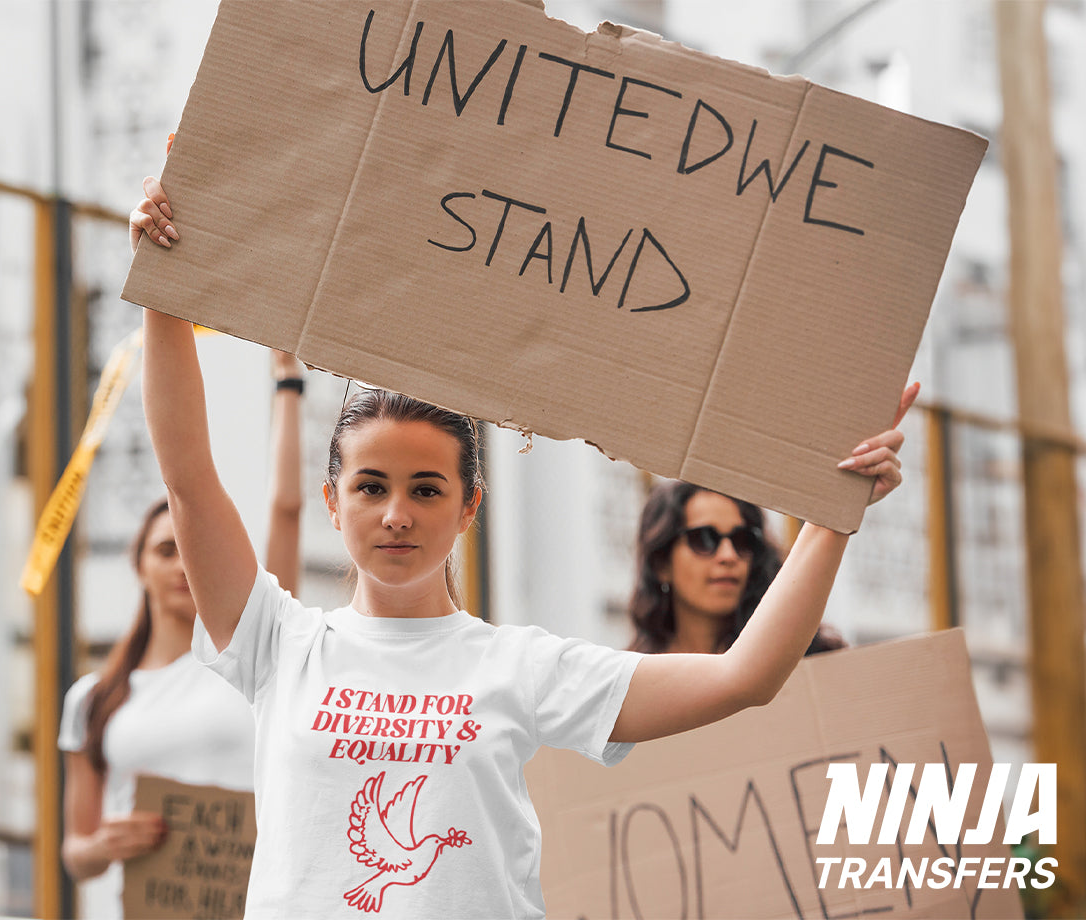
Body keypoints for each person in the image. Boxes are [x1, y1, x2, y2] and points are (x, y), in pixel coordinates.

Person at [132, 174, 916, 919]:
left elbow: (745, 677)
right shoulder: (278, 641)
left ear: (469, 507)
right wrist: (163, 291)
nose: (397, 513)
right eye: (371, 487)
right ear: (333, 503)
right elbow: (190, 477)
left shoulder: (523, 667)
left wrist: (831, 513)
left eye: (427, 489)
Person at [57, 347, 305, 917]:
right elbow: (76, 851)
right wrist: (102, 846)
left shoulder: (256, 655)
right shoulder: (93, 700)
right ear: (138, 565)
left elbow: (286, 510)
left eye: (191, 551)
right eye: (166, 551)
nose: (182, 566)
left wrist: (288, 384)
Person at [628, 482, 846, 656]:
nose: (729, 556)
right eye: (704, 539)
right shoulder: (630, 681)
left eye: (742, 540)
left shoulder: (806, 658)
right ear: (661, 563)